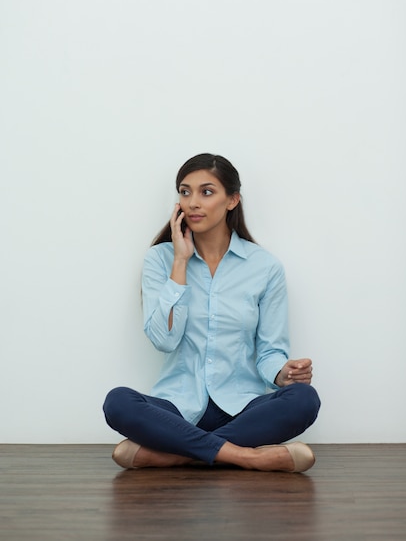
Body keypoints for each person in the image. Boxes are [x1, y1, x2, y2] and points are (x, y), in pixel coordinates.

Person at [103, 153, 320, 472]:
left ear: (232, 200)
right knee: (118, 402)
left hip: (242, 407)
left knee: (304, 399)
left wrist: (284, 374)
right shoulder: (160, 260)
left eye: (206, 192)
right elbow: (164, 341)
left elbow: (270, 352)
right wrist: (180, 262)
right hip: (177, 407)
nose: (192, 202)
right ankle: (246, 456)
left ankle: (178, 453)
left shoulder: (265, 267)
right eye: (184, 191)